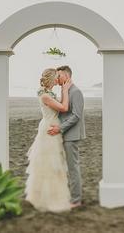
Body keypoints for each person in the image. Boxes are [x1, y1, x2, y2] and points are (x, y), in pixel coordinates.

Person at [24, 68, 73, 212]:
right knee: (49, 163)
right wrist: (65, 89)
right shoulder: (45, 96)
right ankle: (47, 199)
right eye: (57, 77)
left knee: (55, 162)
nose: (59, 80)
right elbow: (64, 108)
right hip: (49, 128)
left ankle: (54, 195)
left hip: (53, 125)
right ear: (52, 79)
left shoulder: (49, 93)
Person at [48, 65, 85, 209]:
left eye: (59, 75)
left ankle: (76, 200)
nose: (57, 78)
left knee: (73, 167)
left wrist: (59, 128)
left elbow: (76, 116)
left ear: (67, 76)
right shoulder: (65, 90)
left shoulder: (76, 92)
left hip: (71, 135)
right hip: (64, 133)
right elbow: (63, 111)